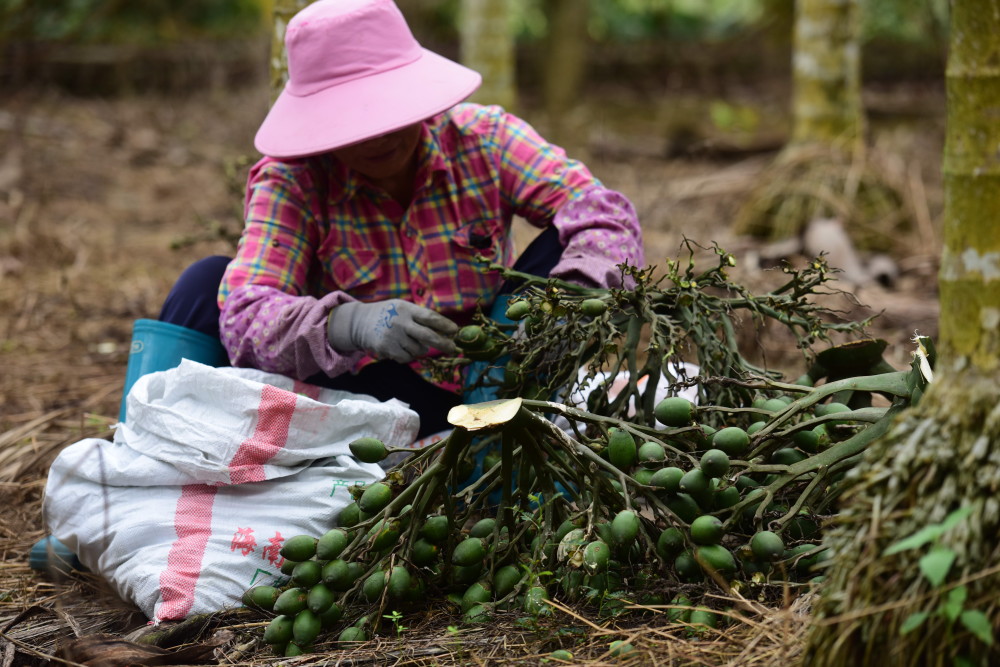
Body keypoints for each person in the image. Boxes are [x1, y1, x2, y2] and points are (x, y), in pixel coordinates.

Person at [158, 0, 645, 439]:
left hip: (498, 374)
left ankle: (498, 426)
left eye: (389, 113)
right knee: (204, 285)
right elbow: (246, 316)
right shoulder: (295, 180)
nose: (377, 138)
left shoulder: (485, 140)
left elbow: (604, 216)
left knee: (572, 246)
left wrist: (557, 313)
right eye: (351, 123)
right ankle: (152, 442)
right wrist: (348, 325)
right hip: (365, 394)